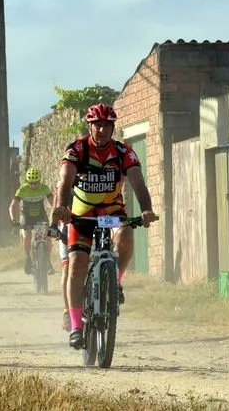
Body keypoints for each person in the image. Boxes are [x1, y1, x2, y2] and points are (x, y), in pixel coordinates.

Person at [50, 103, 159, 349]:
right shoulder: (76, 150)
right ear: (90, 126)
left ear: (113, 127)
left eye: (107, 125)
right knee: (76, 264)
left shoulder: (124, 152)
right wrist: (63, 209)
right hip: (82, 215)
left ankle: (116, 281)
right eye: (97, 125)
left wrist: (145, 209)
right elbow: (65, 183)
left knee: (126, 236)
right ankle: (76, 326)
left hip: (111, 212)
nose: (102, 129)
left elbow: (138, 184)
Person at [9, 166, 54, 275]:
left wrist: (57, 216)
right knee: (27, 236)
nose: (33, 185)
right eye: (31, 183)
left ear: (39, 180)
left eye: (35, 183)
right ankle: (28, 258)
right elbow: (13, 206)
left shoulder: (44, 188)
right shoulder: (23, 189)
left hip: (40, 217)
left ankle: (47, 261)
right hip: (27, 217)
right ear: (27, 181)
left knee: (47, 235)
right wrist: (14, 219)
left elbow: (54, 204)